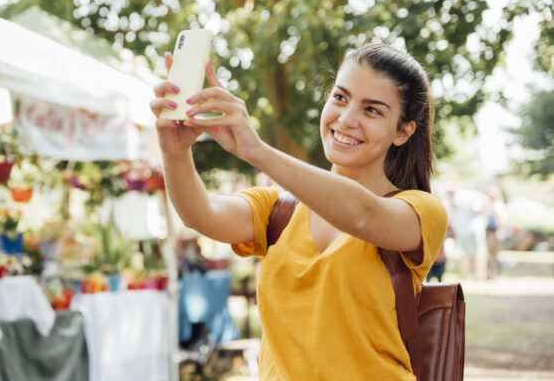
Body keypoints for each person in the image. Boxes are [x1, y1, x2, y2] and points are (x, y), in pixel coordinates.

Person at [151, 43, 447, 379]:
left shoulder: (421, 211)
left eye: (372, 111)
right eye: (340, 98)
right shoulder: (279, 209)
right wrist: (175, 154)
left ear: (403, 131)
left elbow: (361, 215)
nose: (347, 119)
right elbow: (201, 215)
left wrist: (257, 151)